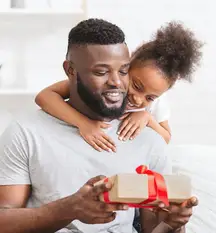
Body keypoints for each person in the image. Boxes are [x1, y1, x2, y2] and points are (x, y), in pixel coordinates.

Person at [0, 18, 196, 233]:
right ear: (71, 71)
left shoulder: (148, 139)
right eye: (101, 72)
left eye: (123, 71)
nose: (117, 83)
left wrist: (172, 224)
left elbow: (154, 229)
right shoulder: (26, 132)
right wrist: (69, 208)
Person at [35, 20, 202, 152]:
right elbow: (44, 96)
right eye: (136, 85)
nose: (137, 99)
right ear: (126, 67)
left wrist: (146, 117)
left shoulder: (155, 103)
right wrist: (83, 123)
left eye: (150, 97)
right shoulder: (103, 87)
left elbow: (165, 138)